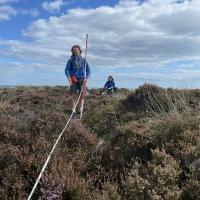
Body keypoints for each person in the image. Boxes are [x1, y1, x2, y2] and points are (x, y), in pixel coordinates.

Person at [65, 44, 90, 112]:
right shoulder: (70, 60)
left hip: (82, 79)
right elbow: (67, 70)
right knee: (73, 94)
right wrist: (68, 77)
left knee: (82, 94)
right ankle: (73, 108)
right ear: (72, 52)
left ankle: (81, 107)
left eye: (77, 50)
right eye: (74, 51)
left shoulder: (84, 60)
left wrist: (86, 78)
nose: (76, 52)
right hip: (73, 79)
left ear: (79, 51)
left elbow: (88, 70)